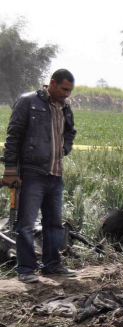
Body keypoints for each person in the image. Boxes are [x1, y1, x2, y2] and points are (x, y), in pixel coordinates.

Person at [1, 69, 78, 283]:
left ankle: (52, 265)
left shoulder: (65, 106)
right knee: (25, 224)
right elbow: (13, 136)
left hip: (55, 173)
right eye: (64, 89)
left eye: (70, 91)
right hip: (32, 173)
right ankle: (26, 269)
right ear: (52, 83)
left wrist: (65, 148)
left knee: (54, 224)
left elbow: (71, 132)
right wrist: (10, 170)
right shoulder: (28, 102)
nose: (66, 94)